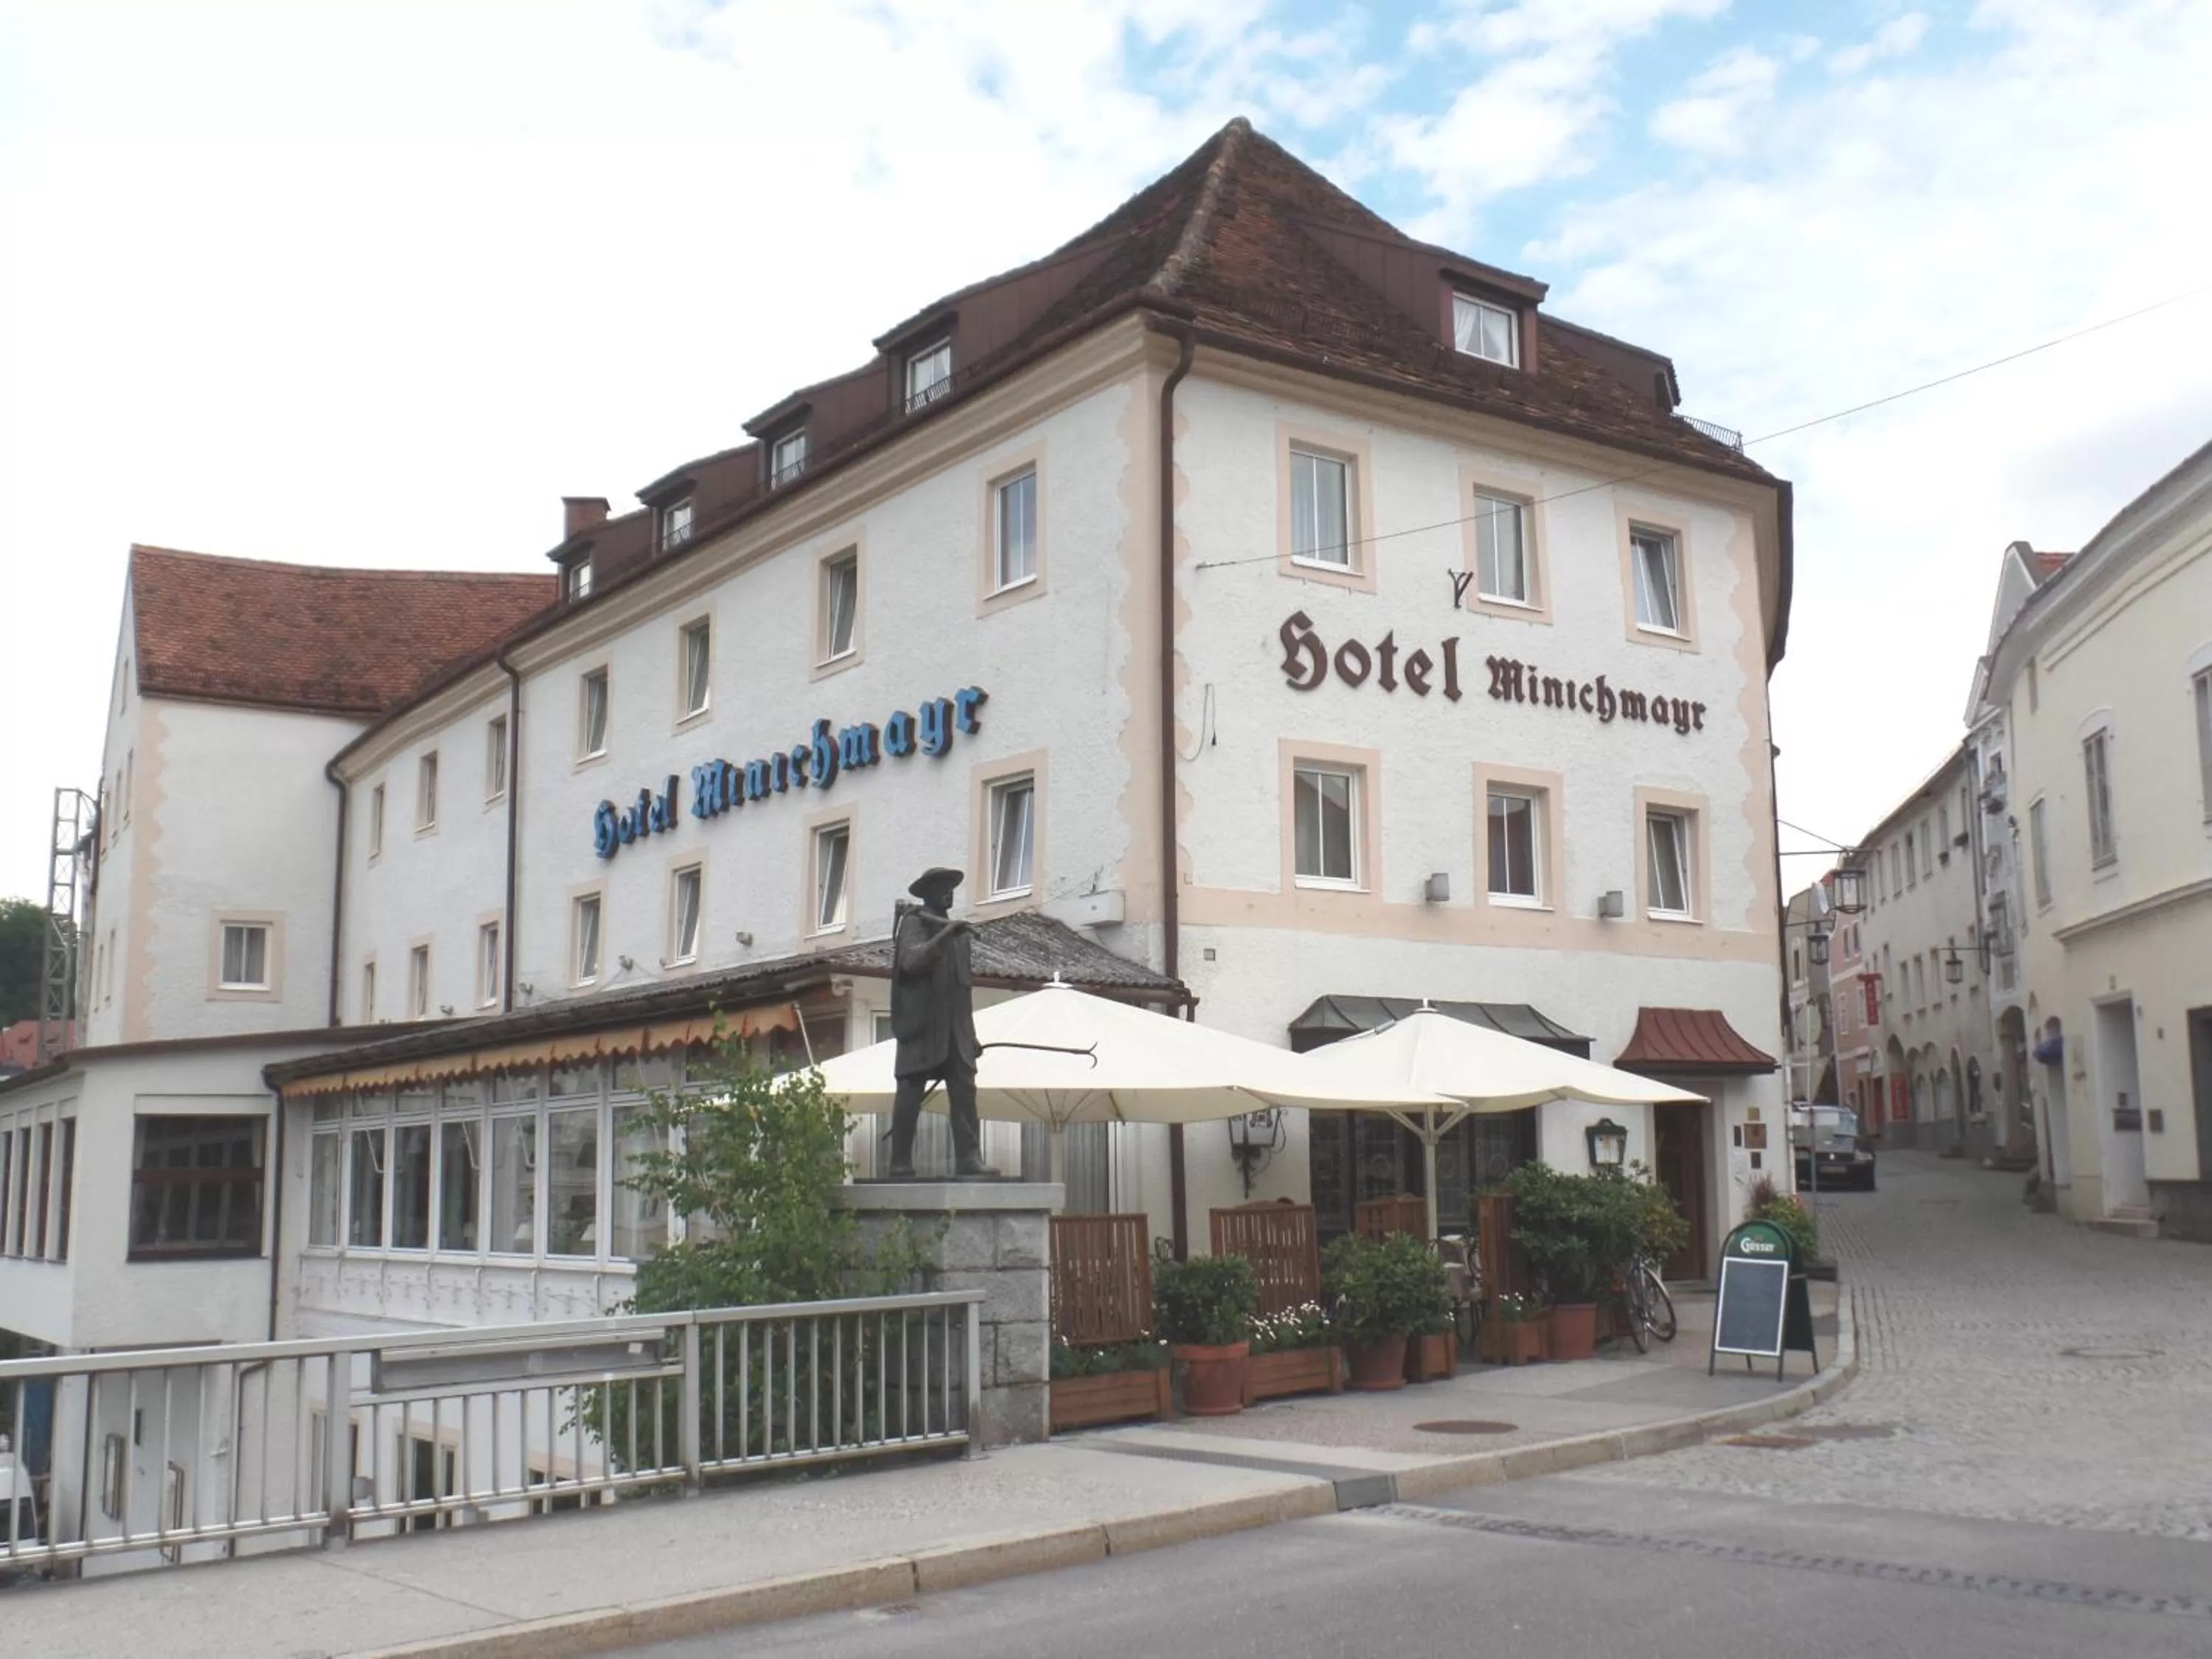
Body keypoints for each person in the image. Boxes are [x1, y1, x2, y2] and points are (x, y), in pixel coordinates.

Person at [887, 867, 997, 1178]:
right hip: (921, 1027)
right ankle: (900, 1162)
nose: (950, 893)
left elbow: (964, 990)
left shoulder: (959, 936)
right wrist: (944, 936)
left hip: (955, 1030)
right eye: (944, 888)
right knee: (909, 1093)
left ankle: (969, 1158)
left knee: (965, 1092)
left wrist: (970, 1034)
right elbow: (911, 961)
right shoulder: (915, 923)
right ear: (928, 893)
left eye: (952, 888)